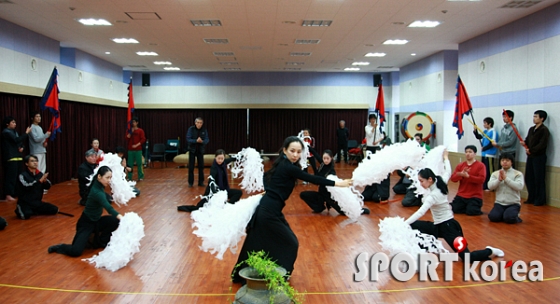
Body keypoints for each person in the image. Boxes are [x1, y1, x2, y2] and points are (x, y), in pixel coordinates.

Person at [232, 136, 352, 283]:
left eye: (298, 152)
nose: (295, 154)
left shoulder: (282, 163)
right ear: (284, 150)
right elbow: (312, 179)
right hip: (268, 212)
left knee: (261, 242)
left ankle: (263, 274)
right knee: (290, 242)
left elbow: (266, 176)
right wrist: (338, 183)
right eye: (292, 151)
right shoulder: (288, 166)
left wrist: (269, 190)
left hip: (271, 210)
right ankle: (279, 275)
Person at [405, 151, 505, 262]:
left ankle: (490, 250)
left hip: (449, 227)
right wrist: (446, 157)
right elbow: (448, 171)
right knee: (412, 226)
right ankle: (426, 252)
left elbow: (420, 212)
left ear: (430, 179)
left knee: (467, 258)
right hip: (437, 226)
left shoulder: (433, 196)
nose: (420, 184)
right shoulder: (439, 181)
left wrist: (404, 223)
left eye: (421, 181)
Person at [48, 166, 122, 257]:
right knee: (76, 251)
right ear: (99, 177)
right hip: (86, 224)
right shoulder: (97, 192)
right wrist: (123, 218)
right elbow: (109, 208)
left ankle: (101, 242)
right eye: (107, 178)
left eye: (110, 178)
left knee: (114, 221)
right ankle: (61, 247)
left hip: (96, 221)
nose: (109, 180)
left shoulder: (99, 184)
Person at [299, 148, 370, 214]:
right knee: (303, 194)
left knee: (343, 212)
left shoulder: (331, 171)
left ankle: (361, 210)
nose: (325, 160)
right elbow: (316, 154)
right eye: (324, 158)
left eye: (327, 158)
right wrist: (307, 146)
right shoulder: (322, 164)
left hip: (329, 197)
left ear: (331, 158)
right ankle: (319, 208)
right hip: (321, 194)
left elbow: (331, 184)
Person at [14, 155, 59, 219]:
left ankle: (34, 210)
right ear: (27, 164)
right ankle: (20, 209)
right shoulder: (23, 175)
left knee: (54, 209)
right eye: (32, 161)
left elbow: (48, 186)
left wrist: (45, 181)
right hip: (25, 203)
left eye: (36, 161)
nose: (35, 163)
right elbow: (27, 186)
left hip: (37, 203)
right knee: (26, 215)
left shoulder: (39, 174)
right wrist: (39, 181)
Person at [521, 110, 550, 206]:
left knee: (538, 178)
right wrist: (524, 144)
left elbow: (542, 144)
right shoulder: (531, 129)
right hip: (530, 156)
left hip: (539, 157)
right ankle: (531, 197)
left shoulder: (544, 130)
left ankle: (539, 199)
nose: (534, 118)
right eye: (533, 116)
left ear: (542, 118)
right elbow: (528, 140)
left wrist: (531, 150)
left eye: (536, 116)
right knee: (529, 178)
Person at [487, 154, 524, 224]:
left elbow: (519, 186)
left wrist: (506, 179)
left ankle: (515, 215)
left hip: (513, 203)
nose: (504, 162)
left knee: (509, 218)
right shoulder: (496, 173)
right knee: (493, 217)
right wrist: (498, 180)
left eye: (507, 160)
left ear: (511, 162)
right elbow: (490, 186)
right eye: (503, 160)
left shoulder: (518, 174)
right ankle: (503, 214)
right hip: (499, 203)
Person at [450, 145, 486, 216]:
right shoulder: (460, 165)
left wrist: (468, 176)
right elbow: (453, 179)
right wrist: (460, 175)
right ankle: (465, 207)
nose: (468, 154)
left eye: (470, 152)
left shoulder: (481, 166)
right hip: (462, 194)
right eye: (466, 152)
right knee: (454, 209)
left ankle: (470, 207)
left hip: (475, 195)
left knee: (471, 211)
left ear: (475, 154)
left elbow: (481, 180)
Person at [1, 116, 31, 201]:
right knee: (11, 177)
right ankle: (8, 194)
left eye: (15, 122)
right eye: (13, 122)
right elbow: (16, 140)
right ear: (7, 124)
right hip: (11, 157)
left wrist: (22, 147)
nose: (15, 124)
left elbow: (19, 142)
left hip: (18, 156)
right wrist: (26, 133)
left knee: (19, 177)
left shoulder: (15, 132)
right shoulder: (6, 132)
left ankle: (17, 193)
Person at [474, 117, 499, 190]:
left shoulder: (493, 132)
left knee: (490, 170)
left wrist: (484, 148)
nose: (484, 124)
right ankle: (485, 185)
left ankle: (491, 186)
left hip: (490, 154)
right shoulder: (485, 131)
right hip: (484, 154)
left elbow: (493, 143)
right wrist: (475, 131)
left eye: (485, 123)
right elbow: (479, 137)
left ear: (489, 124)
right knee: (484, 170)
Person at [186, 117, 209, 187]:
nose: (199, 124)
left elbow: (207, 139)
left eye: (201, 123)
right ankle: (190, 183)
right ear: (195, 123)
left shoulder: (204, 130)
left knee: (201, 167)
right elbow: (188, 139)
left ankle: (201, 182)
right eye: (198, 122)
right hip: (192, 150)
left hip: (200, 150)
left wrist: (202, 141)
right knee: (191, 167)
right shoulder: (191, 129)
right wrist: (196, 140)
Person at [126, 117, 146, 181]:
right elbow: (126, 138)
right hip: (130, 150)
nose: (133, 123)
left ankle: (140, 176)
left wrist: (136, 145)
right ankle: (129, 177)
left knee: (139, 164)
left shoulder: (140, 131)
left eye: (134, 122)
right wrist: (130, 132)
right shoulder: (129, 130)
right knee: (130, 164)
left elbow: (143, 139)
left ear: (137, 123)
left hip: (138, 150)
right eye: (132, 122)